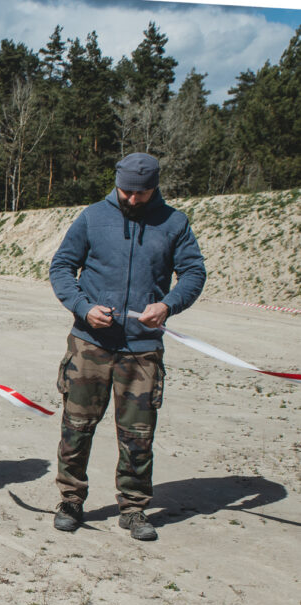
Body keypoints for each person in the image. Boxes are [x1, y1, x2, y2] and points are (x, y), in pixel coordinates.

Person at [49, 152, 206, 541]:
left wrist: (167, 305)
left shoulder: (174, 223)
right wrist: (83, 308)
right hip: (89, 346)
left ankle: (134, 507)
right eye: (126, 192)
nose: (133, 199)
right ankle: (70, 500)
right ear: (117, 183)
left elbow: (193, 272)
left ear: (155, 187)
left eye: (142, 193)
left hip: (142, 350)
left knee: (138, 434)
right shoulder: (92, 217)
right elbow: (61, 267)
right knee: (76, 427)